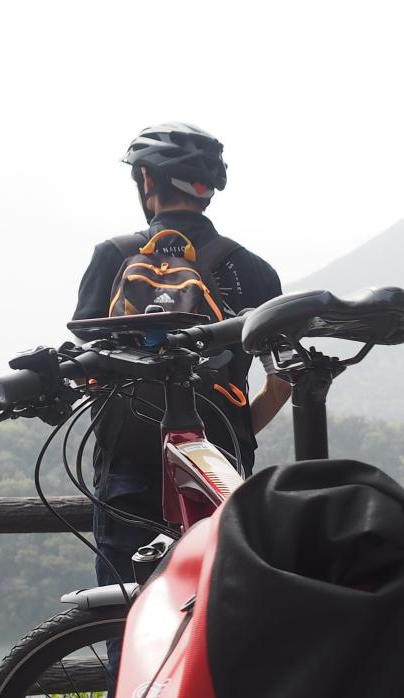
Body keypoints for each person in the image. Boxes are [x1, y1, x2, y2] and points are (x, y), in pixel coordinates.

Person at [73, 121, 290, 586]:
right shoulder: (254, 271)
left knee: (127, 610)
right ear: (207, 189)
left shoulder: (112, 256)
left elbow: (84, 363)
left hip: (128, 466)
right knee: (220, 606)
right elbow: (282, 379)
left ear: (145, 181)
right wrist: (233, 430)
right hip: (220, 462)